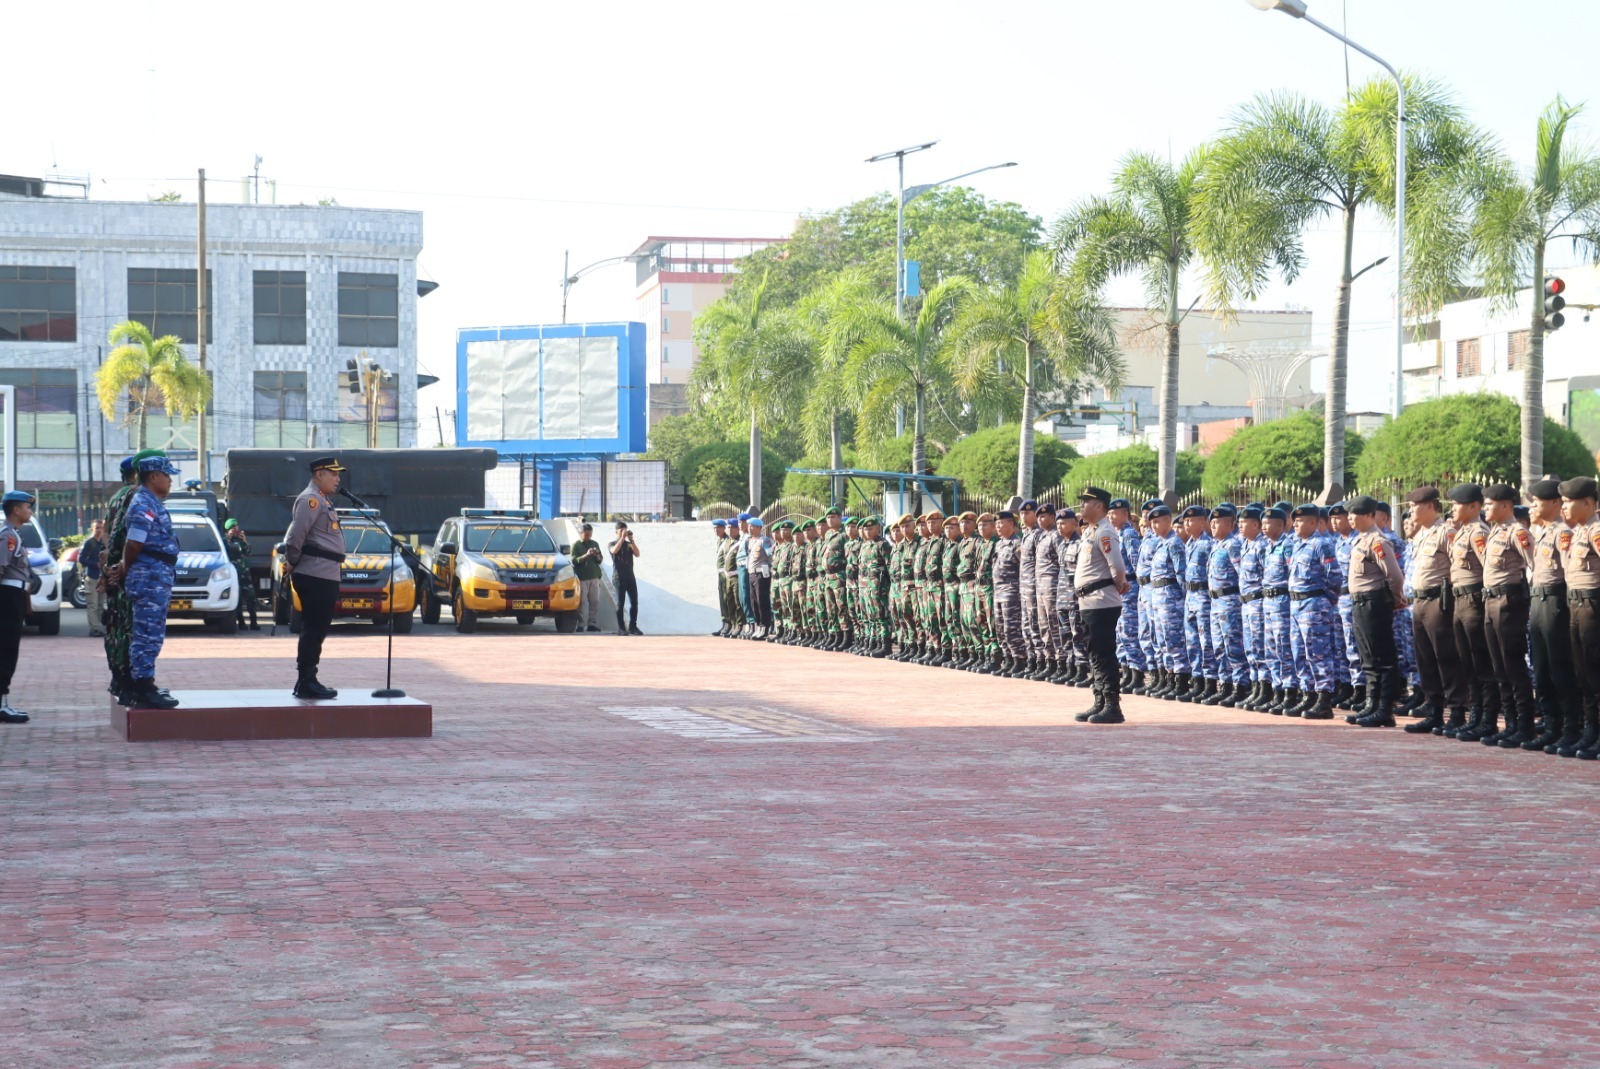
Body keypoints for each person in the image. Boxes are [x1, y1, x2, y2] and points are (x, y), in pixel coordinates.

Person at [118, 455, 183, 709]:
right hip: (149, 576)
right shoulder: (143, 503)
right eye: (166, 475)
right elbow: (134, 542)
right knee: (147, 633)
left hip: (156, 573)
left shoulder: (152, 502)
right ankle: (142, 687)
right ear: (153, 476)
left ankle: (146, 682)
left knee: (151, 632)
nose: (169, 480)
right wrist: (125, 566)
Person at [281, 456, 347, 700]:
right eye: (333, 473)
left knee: (318, 628)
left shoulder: (322, 500)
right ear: (319, 474)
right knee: (314, 628)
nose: (338, 478)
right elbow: (295, 537)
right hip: (315, 572)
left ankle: (306, 680)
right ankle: (307, 680)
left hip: (325, 572)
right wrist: (294, 560)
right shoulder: (310, 500)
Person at [1344, 495, 1407, 727]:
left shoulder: (1377, 541)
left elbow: (1395, 576)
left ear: (1369, 516)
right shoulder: (1360, 540)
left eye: (1355, 514)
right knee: (1368, 658)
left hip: (1374, 602)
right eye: (1349, 514)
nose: (1350, 518)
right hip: (1360, 602)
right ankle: (1372, 704)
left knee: (1383, 657)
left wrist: (1394, 599)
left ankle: (1385, 708)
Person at [1071, 486, 1128, 724]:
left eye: (1086, 501)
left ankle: (1112, 706)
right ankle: (1100, 701)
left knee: (1103, 653)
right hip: (1090, 601)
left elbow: (1117, 566)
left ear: (1099, 506)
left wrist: (1120, 583)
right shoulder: (1090, 531)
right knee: (1094, 653)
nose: (1082, 505)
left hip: (1101, 601)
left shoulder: (1105, 532)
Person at [0, 490, 37, 722]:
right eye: (27, 507)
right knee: (6, 649)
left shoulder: (13, 534)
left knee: (8, 649)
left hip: (13, 595)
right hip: (6, 596)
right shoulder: (8, 536)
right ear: (16, 509)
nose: (30, 511)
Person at [225, 519, 259, 631]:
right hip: (234, 575)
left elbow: (248, 552)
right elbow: (224, 553)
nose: (236, 530)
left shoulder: (240, 540)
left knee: (251, 597)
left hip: (245, 573)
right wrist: (228, 538)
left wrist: (244, 540)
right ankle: (241, 623)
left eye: (236, 528)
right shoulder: (225, 541)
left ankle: (254, 622)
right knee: (238, 599)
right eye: (233, 528)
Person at [572, 522, 606, 633]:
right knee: (582, 602)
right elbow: (574, 561)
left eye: (590, 535)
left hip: (594, 577)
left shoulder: (594, 543)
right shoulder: (576, 545)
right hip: (583, 578)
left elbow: (600, 560)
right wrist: (586, 555)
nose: (588, 537)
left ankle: (592, 624)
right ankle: (580, 624)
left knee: (594, 601)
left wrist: (596, 555)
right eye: (586, 535)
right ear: (581, 533)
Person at [610, 520, 642, 635]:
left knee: (634, 602)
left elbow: (637, 554)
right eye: (621, 531)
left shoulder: (629, 544)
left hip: (630, 577)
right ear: (616, 532)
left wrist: (631, 540)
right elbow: (614, 551)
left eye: (625, 530)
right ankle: (621, 627)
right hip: (618, 577)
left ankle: (633, 626)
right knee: (620, 603)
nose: (623, 532)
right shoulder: (612, 544)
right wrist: (622, 539)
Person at [746, 516, 773, 636]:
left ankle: (765, 626)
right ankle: (758, 625)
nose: (750, 529)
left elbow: (770, 554)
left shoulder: (764, 541)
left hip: (761, 574)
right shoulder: (750, 541)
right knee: (754, 602)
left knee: (762, 601)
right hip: (751, 573)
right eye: (749, 526)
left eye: (753, 527)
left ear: (759, 528)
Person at [80, 519, 106, 638]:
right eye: (97, 528)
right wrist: (94, 564)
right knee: (93, 605)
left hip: (102, 577)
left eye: (101, 528)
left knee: (100, 605)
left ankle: (98, 627)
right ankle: (94, 629)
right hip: (92, 577)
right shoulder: (89, 543)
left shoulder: (104, 543)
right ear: (92, 529)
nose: (99, 530)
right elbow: (82, 559)